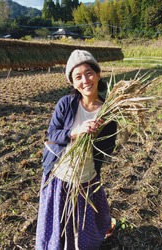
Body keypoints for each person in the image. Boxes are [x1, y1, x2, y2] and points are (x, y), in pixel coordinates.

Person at [35, 49, 117, 250]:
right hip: (60, 176)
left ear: (98, 75)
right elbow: (52, 135)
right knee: (58, 228)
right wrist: (76, 132)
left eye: (89, 73)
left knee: (84, 230)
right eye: (78, 77)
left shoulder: (108, 111)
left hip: (86, 178)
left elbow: (108, 148)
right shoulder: (66, 104)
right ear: (73, 83)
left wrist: (98, 135)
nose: (85, 80)